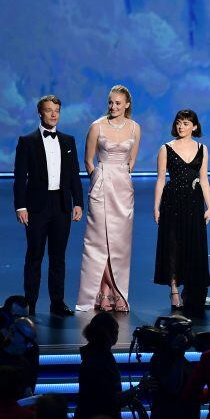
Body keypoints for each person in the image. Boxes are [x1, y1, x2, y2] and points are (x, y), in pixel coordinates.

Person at [13, 95, 84, 316]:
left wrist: (78, 203)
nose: (54, 114)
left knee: (58, 256)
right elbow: (19, 177)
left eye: (57, 110)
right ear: (40, 113)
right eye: (49, 110)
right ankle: (30, 303)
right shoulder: (27, 141)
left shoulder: (68, 141)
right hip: (36, 207)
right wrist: (20, 206)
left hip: (62, 205)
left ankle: (57, 302)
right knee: (34, 255)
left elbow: (74, 175)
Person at [76, 85, 140, 312]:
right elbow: (88, 159)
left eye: (118, 103)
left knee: (120, 242)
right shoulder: (97, 126)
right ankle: (99, 294)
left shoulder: (134, 128)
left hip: (123, 187)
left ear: (127, 105)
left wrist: (122, 176)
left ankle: (117, 293)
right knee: (98, 239)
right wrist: (99, 178)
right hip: (102, 184)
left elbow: (132, 161)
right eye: (111, 102)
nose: (113, 106)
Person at [153, 109, 210, 312]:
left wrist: (209, 205)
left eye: (186, 123)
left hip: (194, 202)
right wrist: (156, 206)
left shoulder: (202, 148)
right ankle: (174, 289)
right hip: (172, 201)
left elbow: (204, 178)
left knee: (193, 244)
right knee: (173, 245)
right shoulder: (166, 148)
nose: (181, 127)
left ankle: (191, 291)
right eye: (179, 122)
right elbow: (161, 179)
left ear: (194, 126)